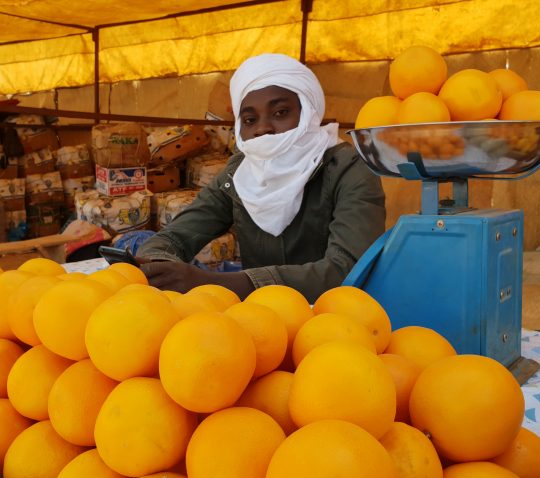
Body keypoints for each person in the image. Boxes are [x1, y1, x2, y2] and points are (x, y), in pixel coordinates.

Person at [137, 53, 386, 303]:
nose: (263, 128)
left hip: (334, 323)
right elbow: (178, 235)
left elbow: (347, 270)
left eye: (280, 112)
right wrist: (159, 264)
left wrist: (212, 282)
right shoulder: (241, 172)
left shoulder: (350, 169)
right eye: (249, 119)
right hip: (262, 324)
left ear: (309, 111)